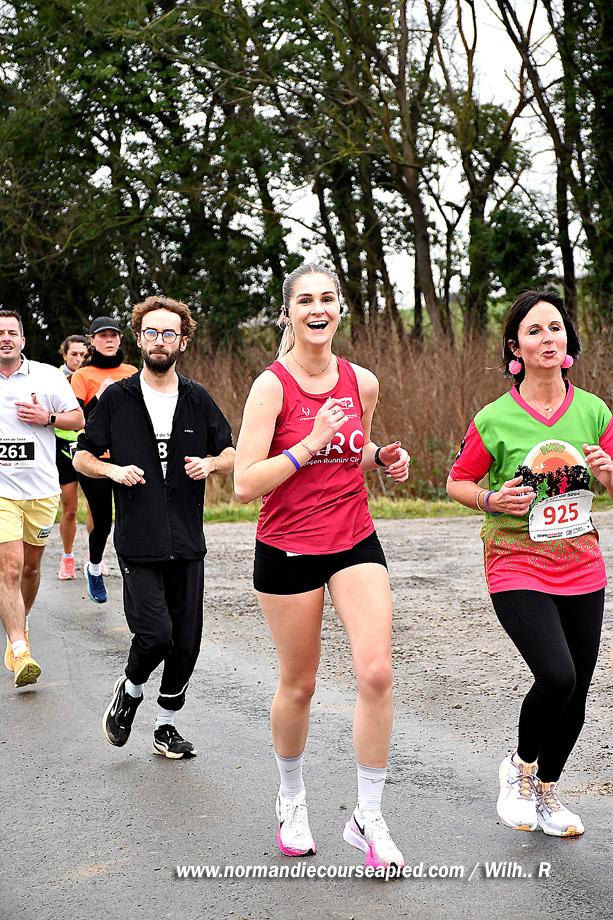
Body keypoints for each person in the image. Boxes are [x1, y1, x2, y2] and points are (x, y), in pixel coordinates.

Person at [234, 263, 410, 870]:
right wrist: (308, 443)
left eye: (327, 299)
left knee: (377, 672)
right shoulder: (272, 387)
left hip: (354, 537)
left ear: (339, 309)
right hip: (288, 545)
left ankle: (369, 817)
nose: (318, 309)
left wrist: (380, 457)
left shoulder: (363, 381)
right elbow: (244, 484)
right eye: (305, 300)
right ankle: (291, 796)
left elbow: (352, 450)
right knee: (300, 684)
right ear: (288, 312)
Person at [447, 289, 613, 838]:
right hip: (515, 561)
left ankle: (547, 791)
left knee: (577, 691)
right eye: (534, 330)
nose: (548, 338)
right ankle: (518, 771)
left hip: (582, 564)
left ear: (569, 341)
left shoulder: (594, 411)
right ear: (514, 347)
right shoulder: (495, 418)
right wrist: (492, 499)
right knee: (557, 675)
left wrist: (608, 474)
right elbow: (457, 482)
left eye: (556, 328)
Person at [73, 296, 234, 759]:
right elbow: (82, 456)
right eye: (150, 332)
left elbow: (231, 451)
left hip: (187, 539)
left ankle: (165, 726)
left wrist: (210, 464)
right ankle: (130, 689)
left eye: (168, 333)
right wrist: (112, 470)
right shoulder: (117, 398)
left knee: (186, 642)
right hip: (138, 539)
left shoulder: (197, 398)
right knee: (155, 635)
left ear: (182, 342)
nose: (159, 341)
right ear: (139, 339)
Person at [0, 311, 84, 687]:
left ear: (22, 340)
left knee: (30, 570)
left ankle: (21, 623)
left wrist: (46, 417)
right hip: (2, 492)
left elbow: (77, 419)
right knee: (10, 568)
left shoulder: (48, 376)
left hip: (41, 490)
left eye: (11, 332)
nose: (5, 338)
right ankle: (20, 650)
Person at [71, 317, 137, 603]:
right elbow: (78, 420)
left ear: (120, 339)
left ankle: (135, 574)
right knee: (103, 523)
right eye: (103, 336)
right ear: (92, 341)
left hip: (128, 457)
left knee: (132, 520)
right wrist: (99, 396)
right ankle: (94, 567)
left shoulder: (132, 372)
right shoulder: (82, 376)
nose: (109, 340)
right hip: (95, 460)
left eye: (114, 335)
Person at [56, 334, 89, 579]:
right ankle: (67, 557)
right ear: (64, 355)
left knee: (95, 507)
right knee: (69, 508)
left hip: (89, 446)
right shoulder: (53, 378)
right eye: (74, 354)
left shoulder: (91, 376)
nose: (78, 359)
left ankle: (94, 557)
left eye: (83, 354)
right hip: (62, 445)